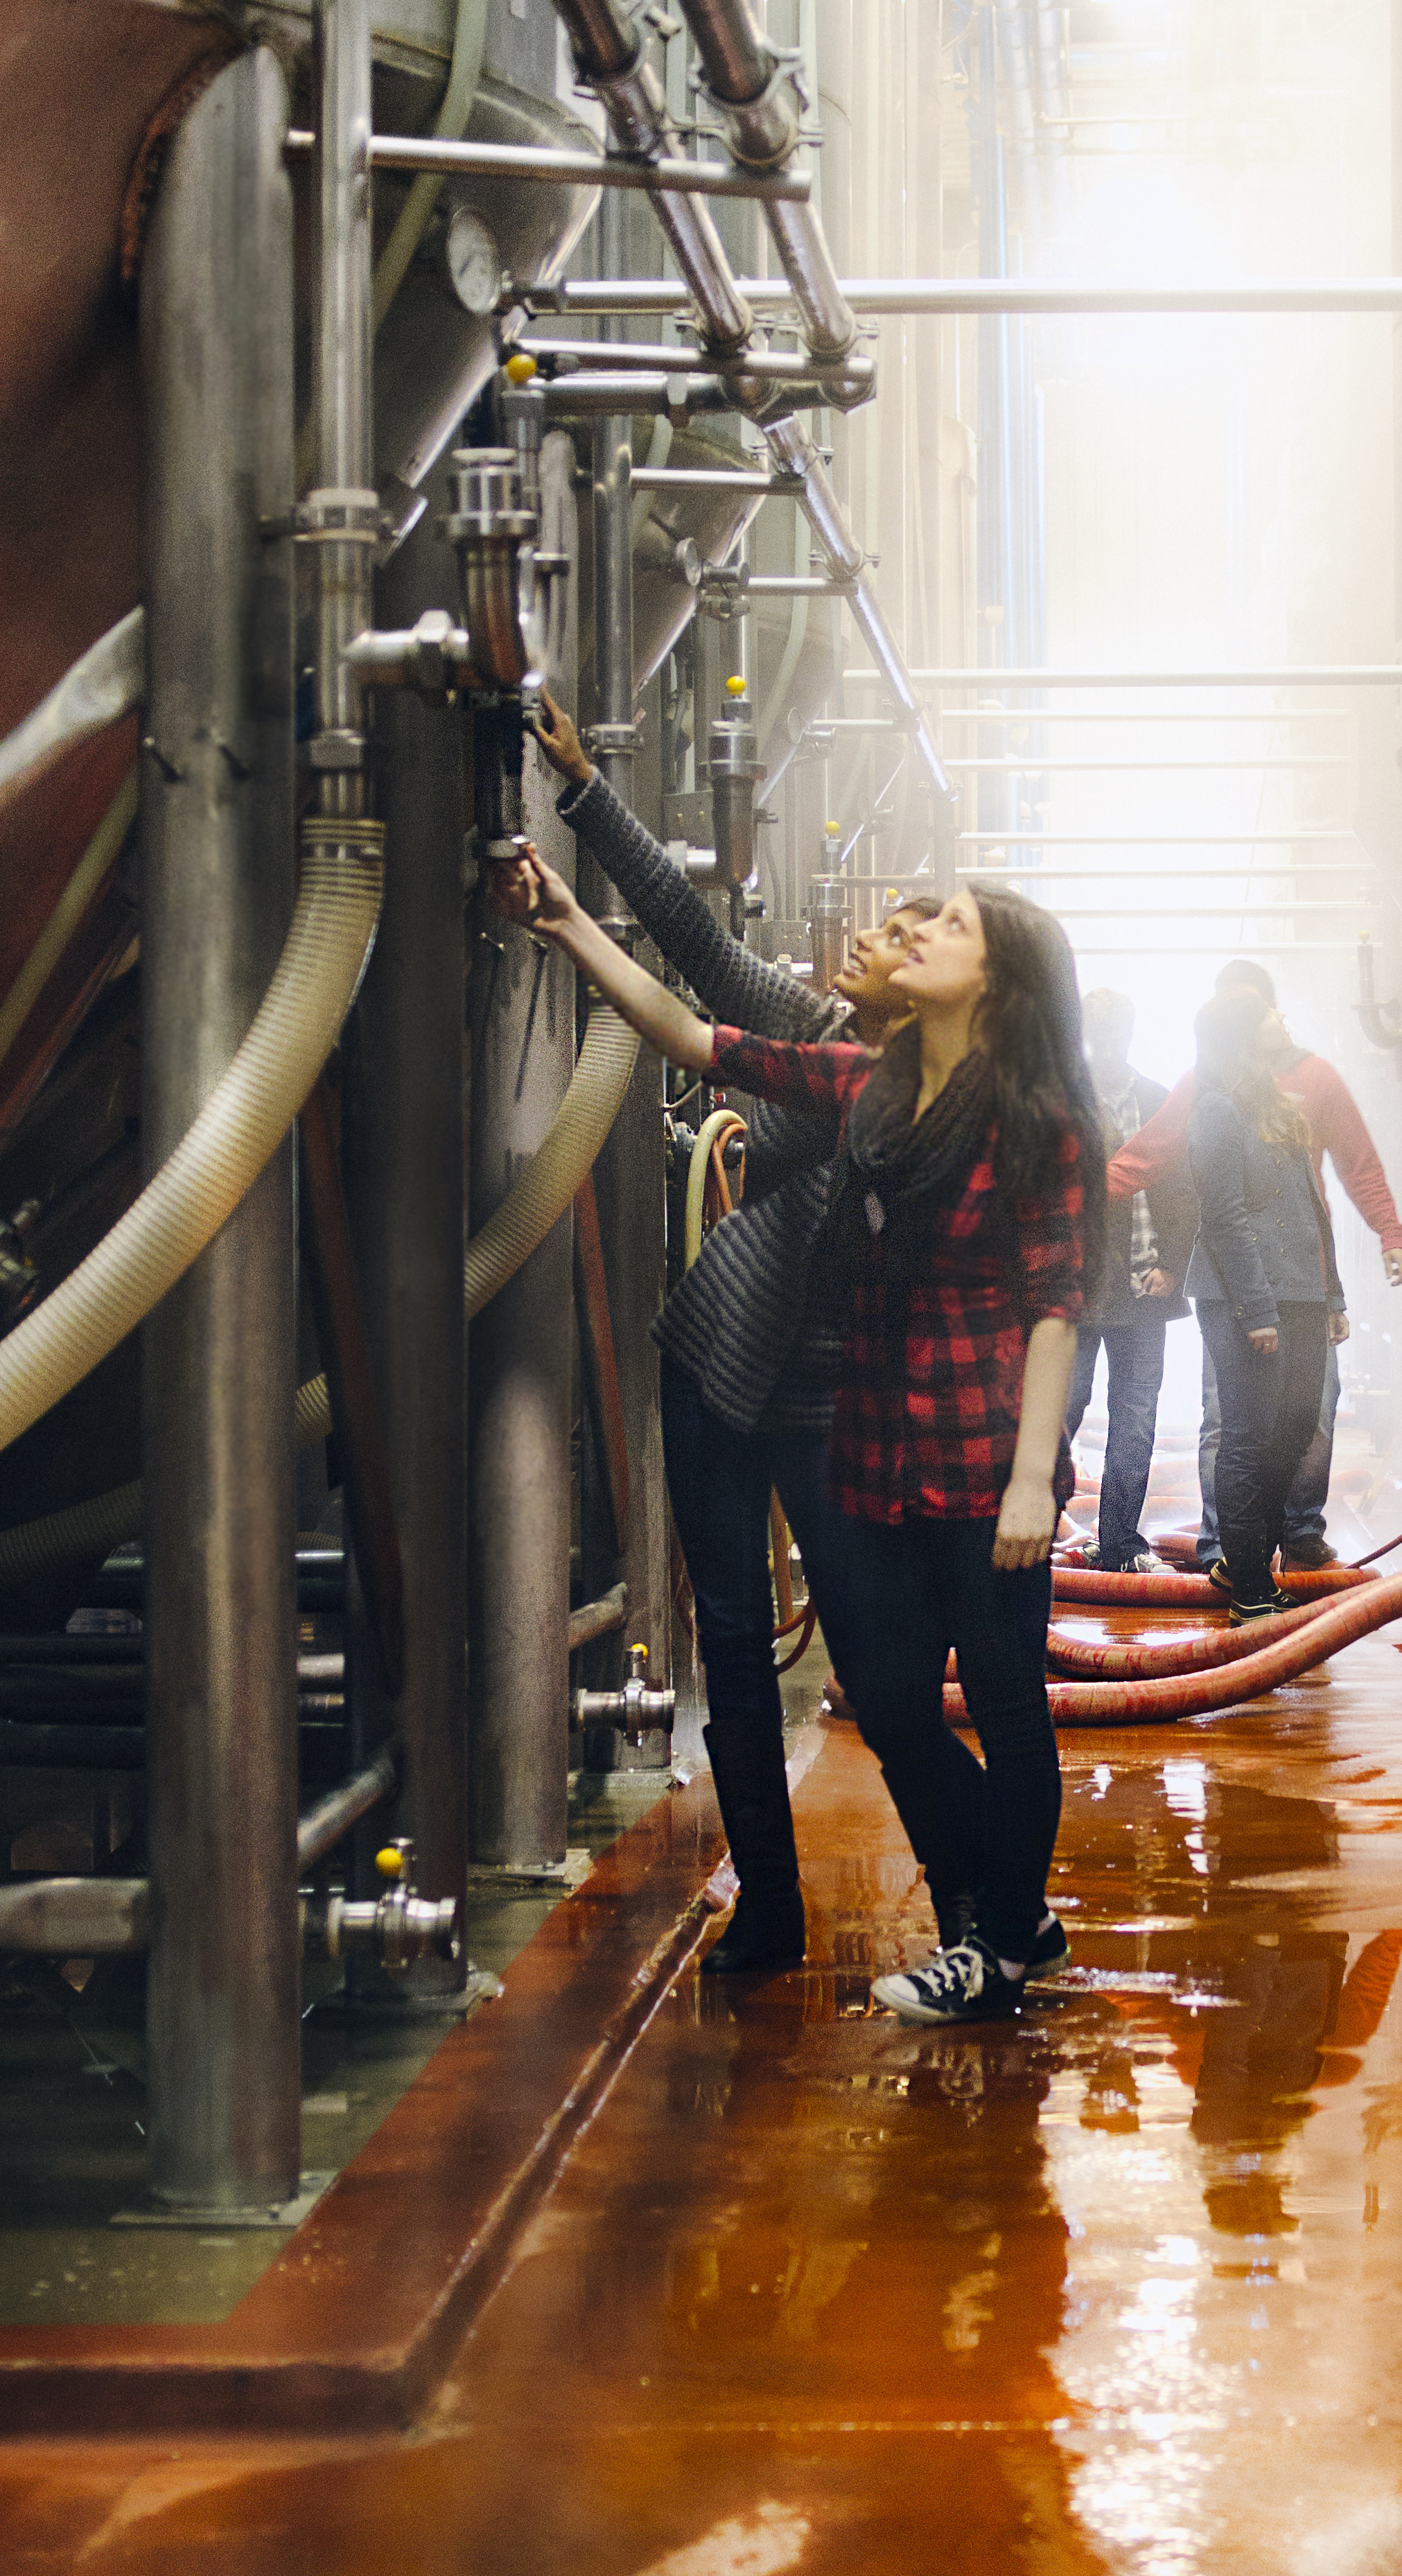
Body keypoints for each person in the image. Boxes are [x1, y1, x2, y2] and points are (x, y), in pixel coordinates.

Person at [498, 860, 1094, 2030]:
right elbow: (699, 1033)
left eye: (950, 928)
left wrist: (1035, 1476)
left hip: (976, 1453)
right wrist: (570, 921)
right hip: (875, 1451)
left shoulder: (1033, 1117)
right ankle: (1003, 1913)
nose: (915, 934)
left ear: (1000, 978)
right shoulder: (866, 1083)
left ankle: (1000, 1940)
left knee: (1007, 1703)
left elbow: (1054, 1304)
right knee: (887, 1696)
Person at [507, 692, 951, 1974]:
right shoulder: (813, 1030)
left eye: (892, 938)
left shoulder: (919, 1096)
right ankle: (770, 1903)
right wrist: (586, 792)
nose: (859, 941)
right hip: (715, 1372)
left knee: (872, 1650)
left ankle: (972, 1899)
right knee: (736, 1644)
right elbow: (696, 944)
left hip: (827, 1402)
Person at [1107, 959, 1402, 1567]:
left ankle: (1298, 1530)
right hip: (1236, 1277)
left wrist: (1389, 1232)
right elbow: (1149, 1155)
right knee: (1231, 1420)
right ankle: (1230, 1547)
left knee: (1309, 1414)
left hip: (1303, 1278)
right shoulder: (1208, 1090)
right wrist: (1059, 1196)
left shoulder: (1312, 1080)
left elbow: (1356, 1164)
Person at [1180, 993, 1345, 1622]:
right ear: (1243, 1035)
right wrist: (1257, 1311)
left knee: (1299, 1424)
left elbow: (1313, 1208)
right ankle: (1248, 1580)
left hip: (1301, 1293)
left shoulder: (1278, 1106)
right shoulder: (1216, 1111)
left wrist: (1333, 1295)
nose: (1281, 1016)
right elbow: (1225, 1219)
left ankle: (1246, 1560)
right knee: (1248, 1435)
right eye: (1268, 1012)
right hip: (1242, 1298)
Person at [1051, 989, 1188, 1573]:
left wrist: (1174, 1265)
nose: (1108, 1042)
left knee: (1134, 1421)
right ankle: (1036, 1529)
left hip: (1141, 1290)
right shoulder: (1058, 1103)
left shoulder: (1159, 1102)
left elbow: (1186, 1196)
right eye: (1099, 1031)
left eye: (1116, 1030)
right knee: (1063, 1412)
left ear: (1129, 1032)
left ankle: (1120, 1543)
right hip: (1076, 1293)